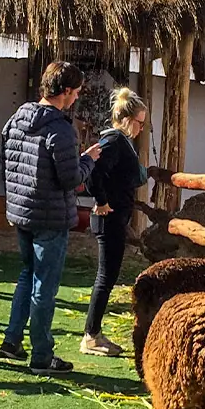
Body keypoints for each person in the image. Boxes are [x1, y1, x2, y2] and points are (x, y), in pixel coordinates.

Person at [0, 61, 102, 374]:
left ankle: (12, 341)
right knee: (44, 285)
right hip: (50, 217)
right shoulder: (60, 129)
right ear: (66, 91)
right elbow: (71, 178)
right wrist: (89, 160)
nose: (76, 98)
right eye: (77, 92)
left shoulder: (16, 119)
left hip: (21, 211)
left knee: (27, 274)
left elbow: (7, 159)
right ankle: (41, 355)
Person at [80, 88, 149, 356]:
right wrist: (101, 200)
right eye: (140, 122)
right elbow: (93, 172)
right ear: (128, 119)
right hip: (109, 217)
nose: (142, 128)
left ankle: (93, 332)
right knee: (105, 278)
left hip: (117, 215)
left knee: (107, 277)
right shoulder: (114, 142)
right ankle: (91, 335)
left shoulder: (123, 142)